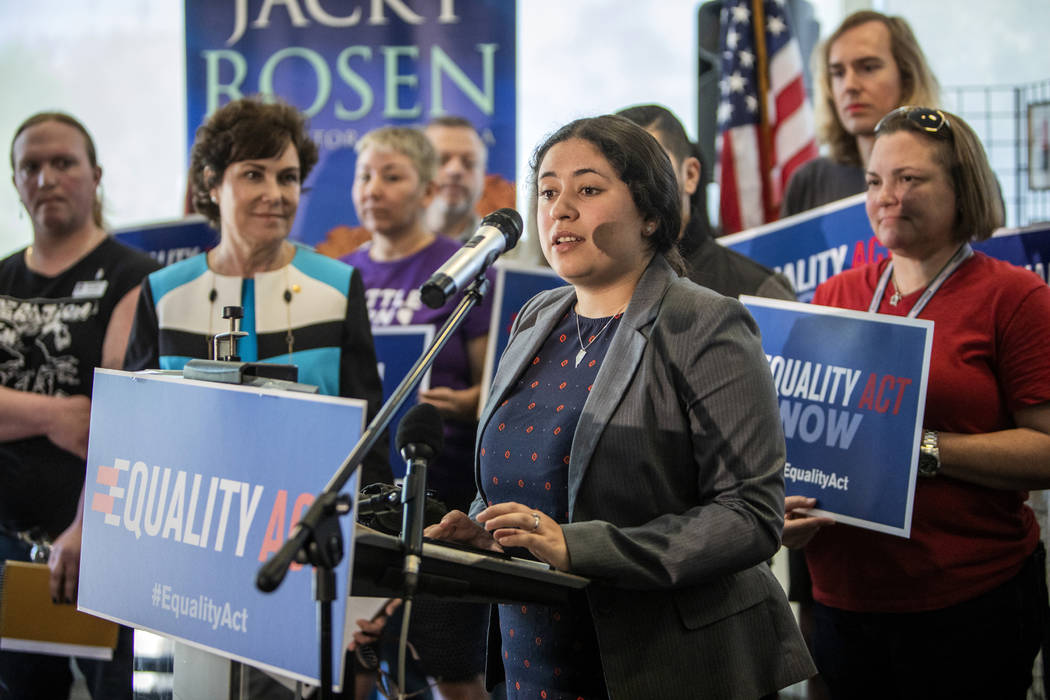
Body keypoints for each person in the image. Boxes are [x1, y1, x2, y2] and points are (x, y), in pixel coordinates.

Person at [426, 115, 815, 699]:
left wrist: (577, 545)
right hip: (535, 660)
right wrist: (488, 530)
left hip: (668, 665)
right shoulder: (536, 318)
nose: (560, 209)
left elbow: (750, 516)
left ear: (651, 213)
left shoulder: (707, 323)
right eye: (549, 192)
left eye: (587, 189)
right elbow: (519, 478)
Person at [784, 107, 1050, 698]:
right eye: (876, 182)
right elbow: (801, 434)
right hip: (841, 602)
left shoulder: (1016, 298)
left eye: (910, 179)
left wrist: (923, 450)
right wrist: (784, 506)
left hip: (970, 603)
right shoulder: (834, 295)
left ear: (962, 186)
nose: (888, 197)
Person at [0, 112, 159, 699]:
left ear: (95, 175)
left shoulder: (133, 278)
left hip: (96, 542)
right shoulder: (2, 277)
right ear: (16, 183)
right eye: (30, 167)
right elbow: (84, 414)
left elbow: (120, 420)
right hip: (7, 546)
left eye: (62, 163)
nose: (46, 178)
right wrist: (55, 414)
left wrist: (89, 522)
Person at [343, 126, 491, 700]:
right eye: (364, 175)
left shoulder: (461, 273)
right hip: (364, 492)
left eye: (391, 175)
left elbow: (495, 390)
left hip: (443, 495)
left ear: (427, 189)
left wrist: (460, 404)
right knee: (359, 661)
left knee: (450, 669)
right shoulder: (339, 275)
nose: (373, 188)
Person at [617, 103, 794, 299]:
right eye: (618, 172)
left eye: (651, 169)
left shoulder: (758, 291)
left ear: (691, 175)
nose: (634, 186)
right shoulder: (584, 289)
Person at [781, 10, 939, 217]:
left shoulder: (954, 172)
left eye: (868, 68)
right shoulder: (808, 182)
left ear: (907, 77)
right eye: (838, 73)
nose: (849, 85)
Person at [423, 116, 488, 242]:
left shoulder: (516, 258)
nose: (455, 170)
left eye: (469, 162)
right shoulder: (382, 255)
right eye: (441, 160)